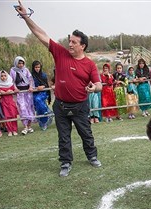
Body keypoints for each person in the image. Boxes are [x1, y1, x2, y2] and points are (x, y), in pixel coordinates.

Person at [14, 0, 102, 177]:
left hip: (80, 106)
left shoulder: (89, 64)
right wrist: (25, 17)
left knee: (86, 133)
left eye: (73, 42)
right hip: (60, 105)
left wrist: (94, 89)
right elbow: (41, 34)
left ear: (82, 45)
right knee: (63, 136)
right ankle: (65, 163)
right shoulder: (60, 53)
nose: (69, 44)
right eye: (69, 41)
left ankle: (92, 156)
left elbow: (99, 84)